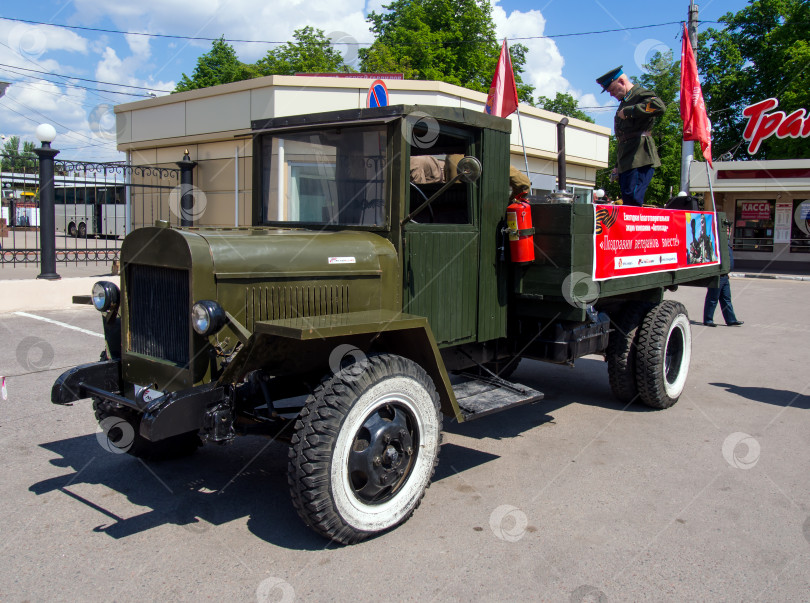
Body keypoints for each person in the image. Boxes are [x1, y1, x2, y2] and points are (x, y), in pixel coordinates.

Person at [596, 66, 666, 206]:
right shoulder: (625, 101)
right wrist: (617, 165)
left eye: (612, 90)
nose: (611, 95)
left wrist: (630, 111)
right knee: (628, 198)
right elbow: (623, 138)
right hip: (627, 157)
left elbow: (659, 106)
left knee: (633, 198)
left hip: (640, 156)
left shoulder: (639, 94)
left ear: (621, 81)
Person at [704, 223, 743, 327]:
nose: (727, 232)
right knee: (713, 298)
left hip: (725, 275)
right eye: (725, 230)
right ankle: (708, 319)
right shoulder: (716, 242)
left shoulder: (726, 243)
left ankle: (731, 320)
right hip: (718, 275)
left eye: (728, 231)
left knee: (726, 298)